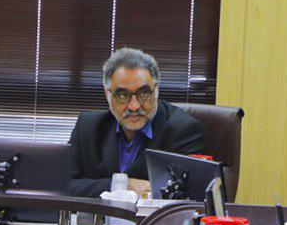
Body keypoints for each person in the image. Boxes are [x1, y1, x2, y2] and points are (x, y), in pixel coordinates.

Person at [66, 47, 206, 197]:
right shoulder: (88, 127)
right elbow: (61, 185)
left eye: (144, 93)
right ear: (108, 94)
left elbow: (188, 196)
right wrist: (119, 185)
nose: (134, 106)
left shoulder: (183, 131)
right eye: (122, 95)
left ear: (157, 90)